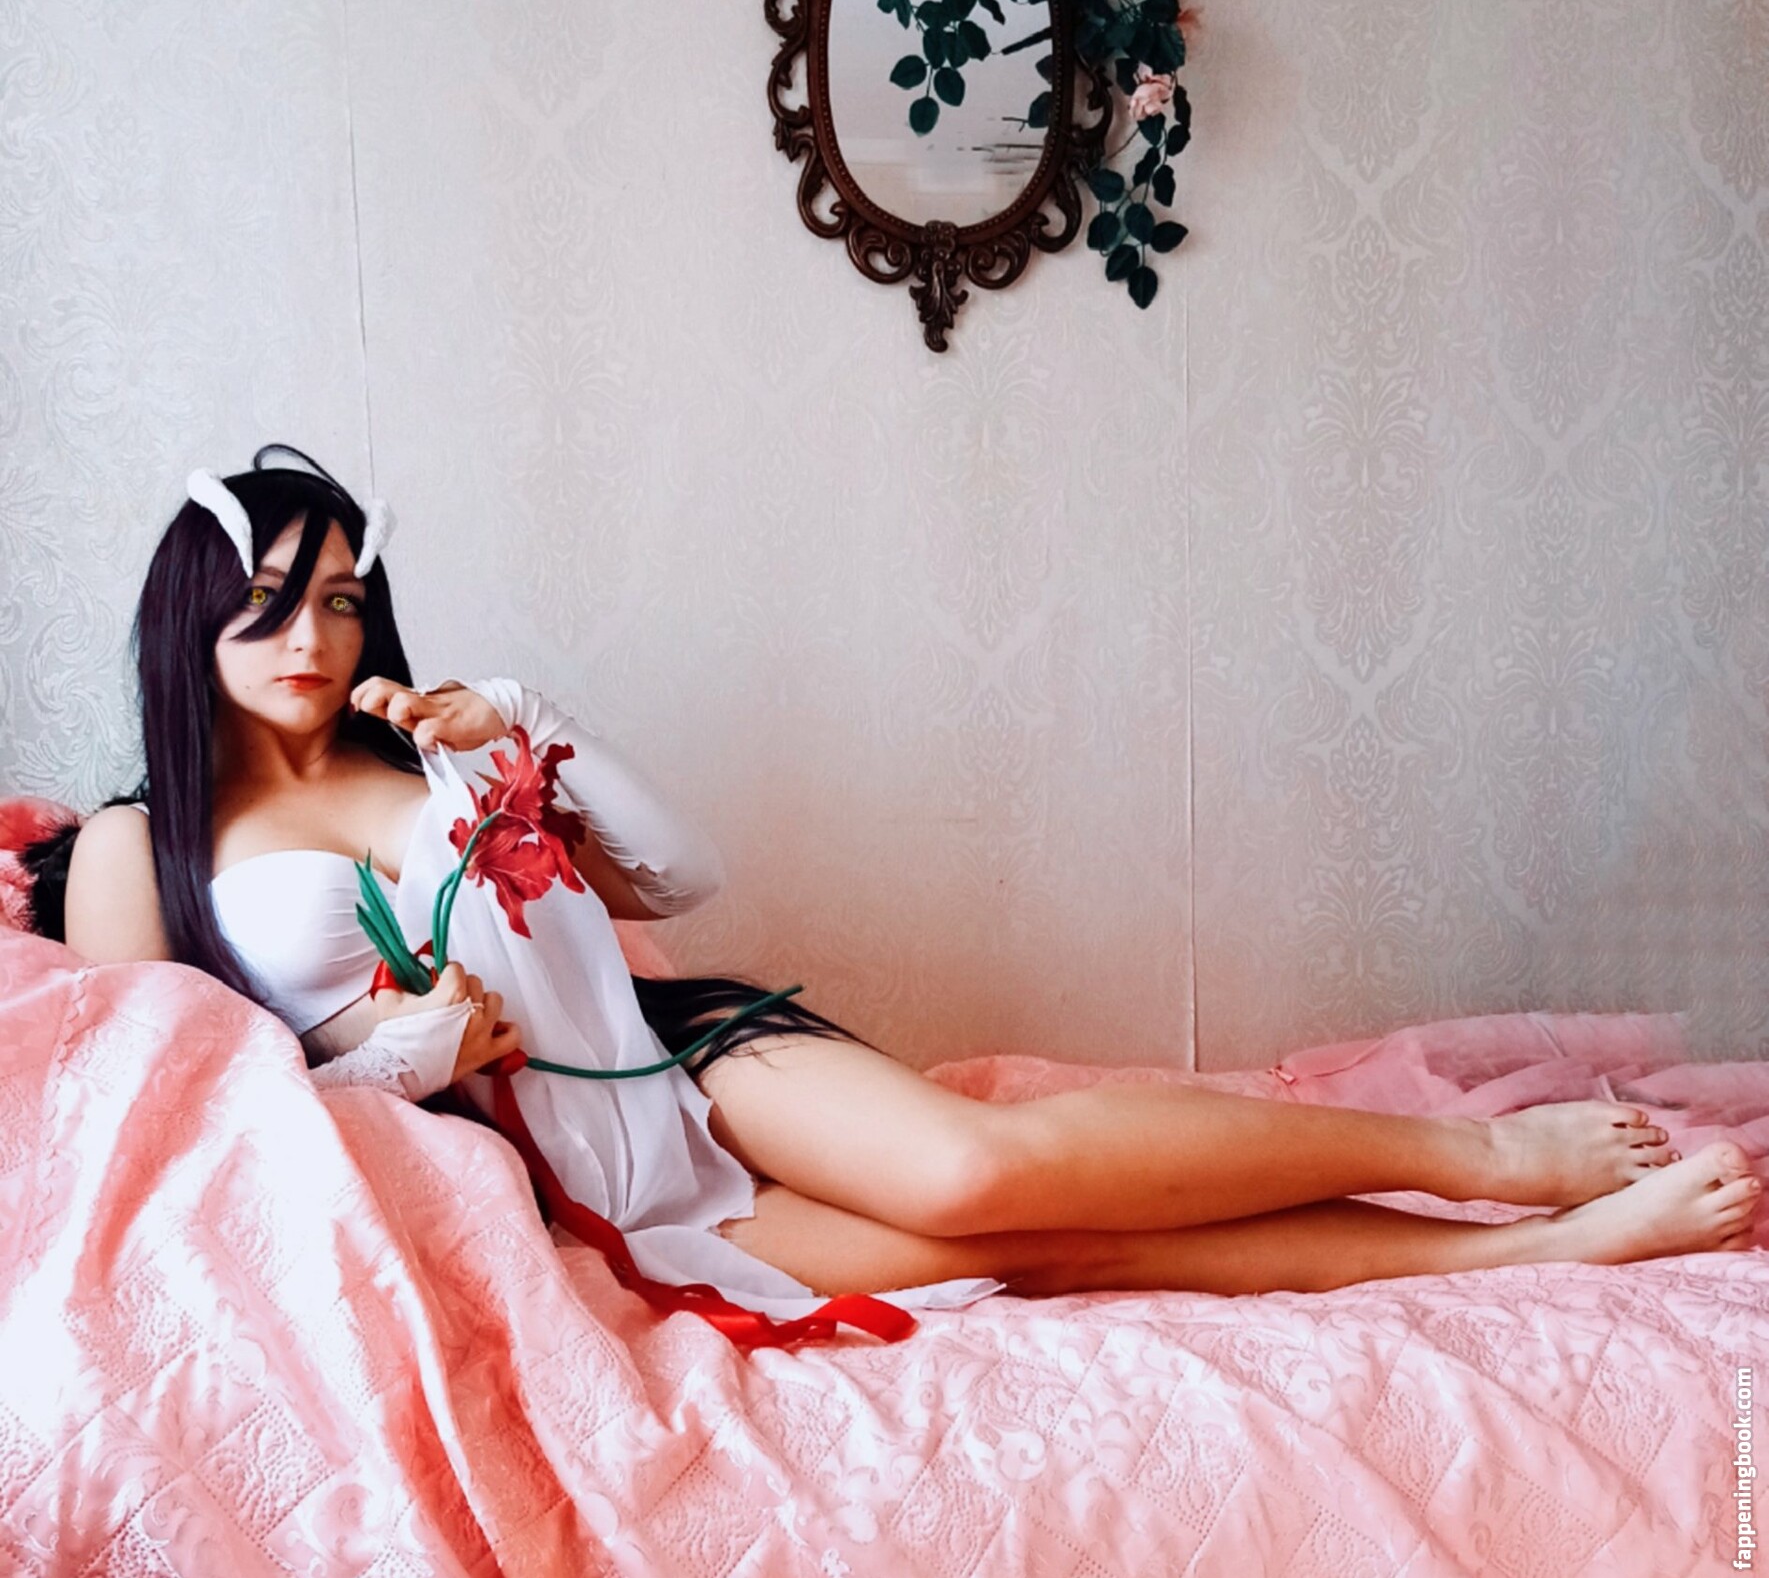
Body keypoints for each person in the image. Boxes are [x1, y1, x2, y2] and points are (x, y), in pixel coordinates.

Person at [40, 446, 1761, 1333]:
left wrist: (531, 726)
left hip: (683, 1066)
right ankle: (1539, 1251)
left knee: (980, 1165)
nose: (312, 635)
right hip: (569, 1193)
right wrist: (398, 1060)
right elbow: (185, 1128)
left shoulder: (438, 743)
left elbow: (681, 879)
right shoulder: (138, 847)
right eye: (271, 599)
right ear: (195, 610)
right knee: (1052, 1252)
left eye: (342, 597)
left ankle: (1486, 1163)